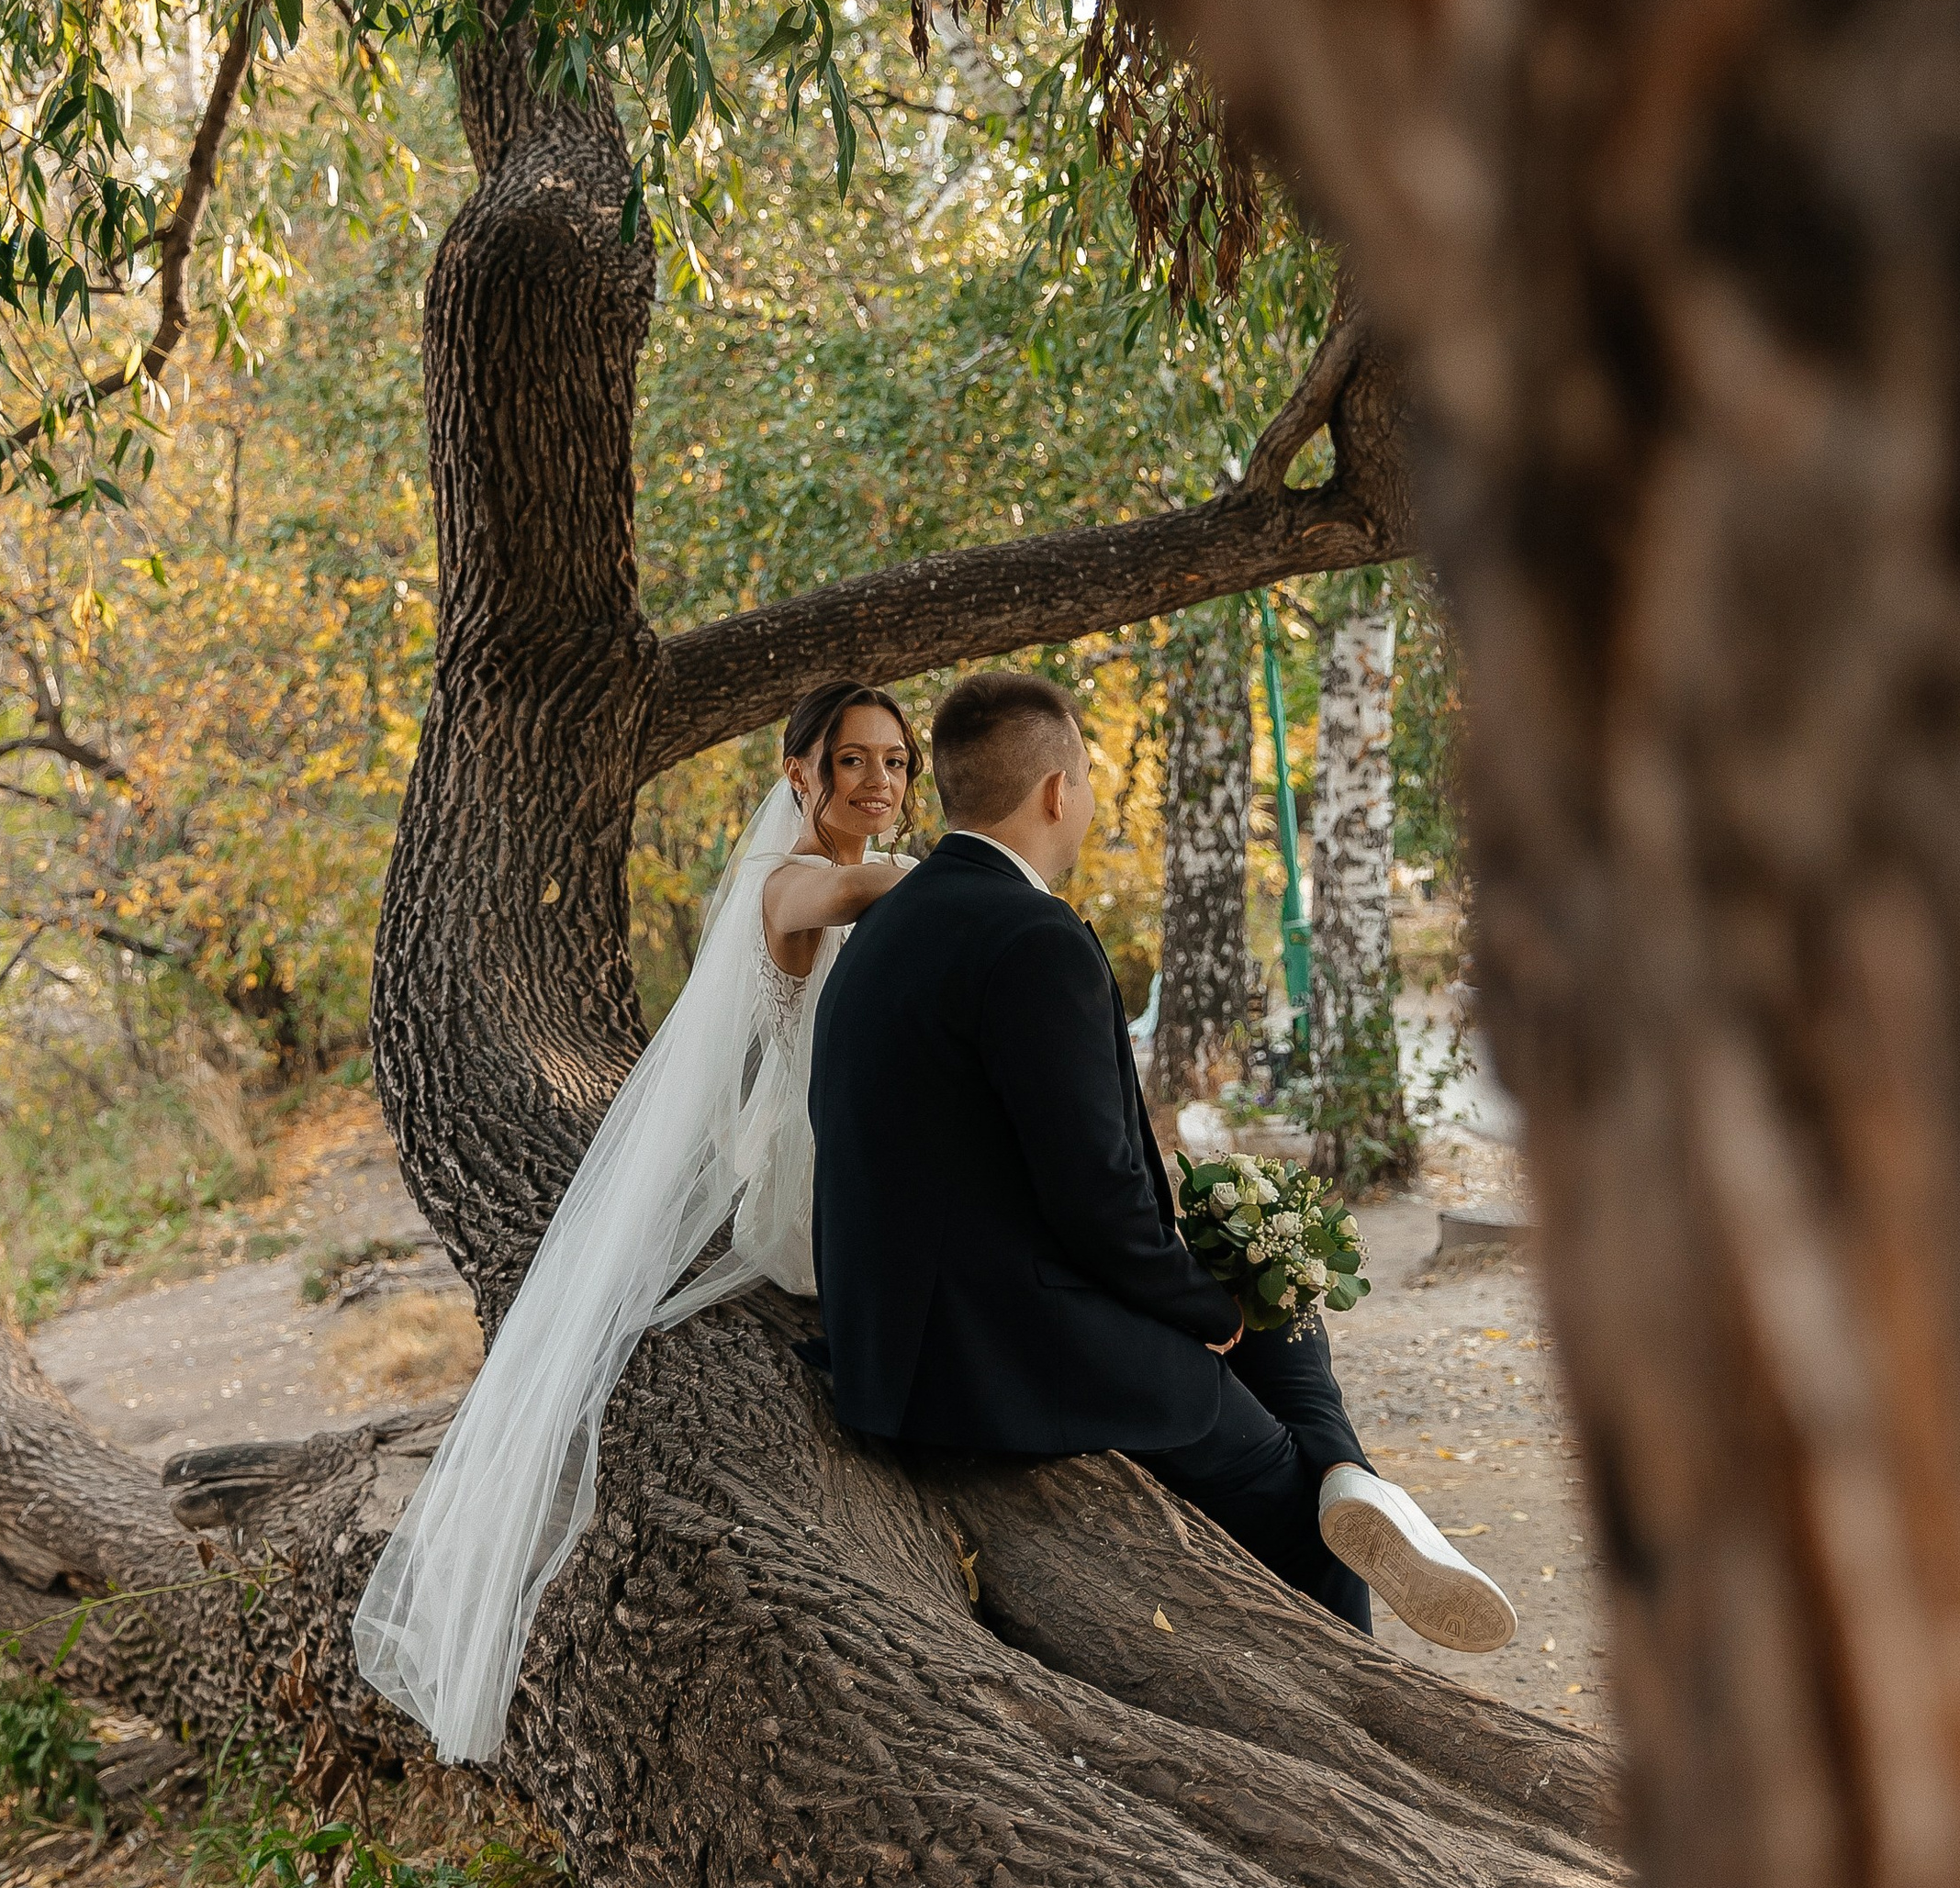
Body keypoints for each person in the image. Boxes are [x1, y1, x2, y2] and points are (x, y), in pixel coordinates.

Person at [809, 667, 1515, 1651]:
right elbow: (1091, 1194)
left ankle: (1356, 1476)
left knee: (1282, 1305)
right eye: (1088, 781)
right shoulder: (1030, 937)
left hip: (909, 1338)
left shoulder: (887, 925)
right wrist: (1199, 1304)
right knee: (1287, 1495)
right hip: (995, 1353)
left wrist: (1214, 1282)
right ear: (1058, 791)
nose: (1089, 803)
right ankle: (1344, 1526)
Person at [352, 678, 920, 1763]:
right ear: (800, 773)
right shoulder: (795, 883)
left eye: (896, 763)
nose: (880, 782)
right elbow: (869, 897)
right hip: (812, 1190)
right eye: (854, 761)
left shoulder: (859, 875)